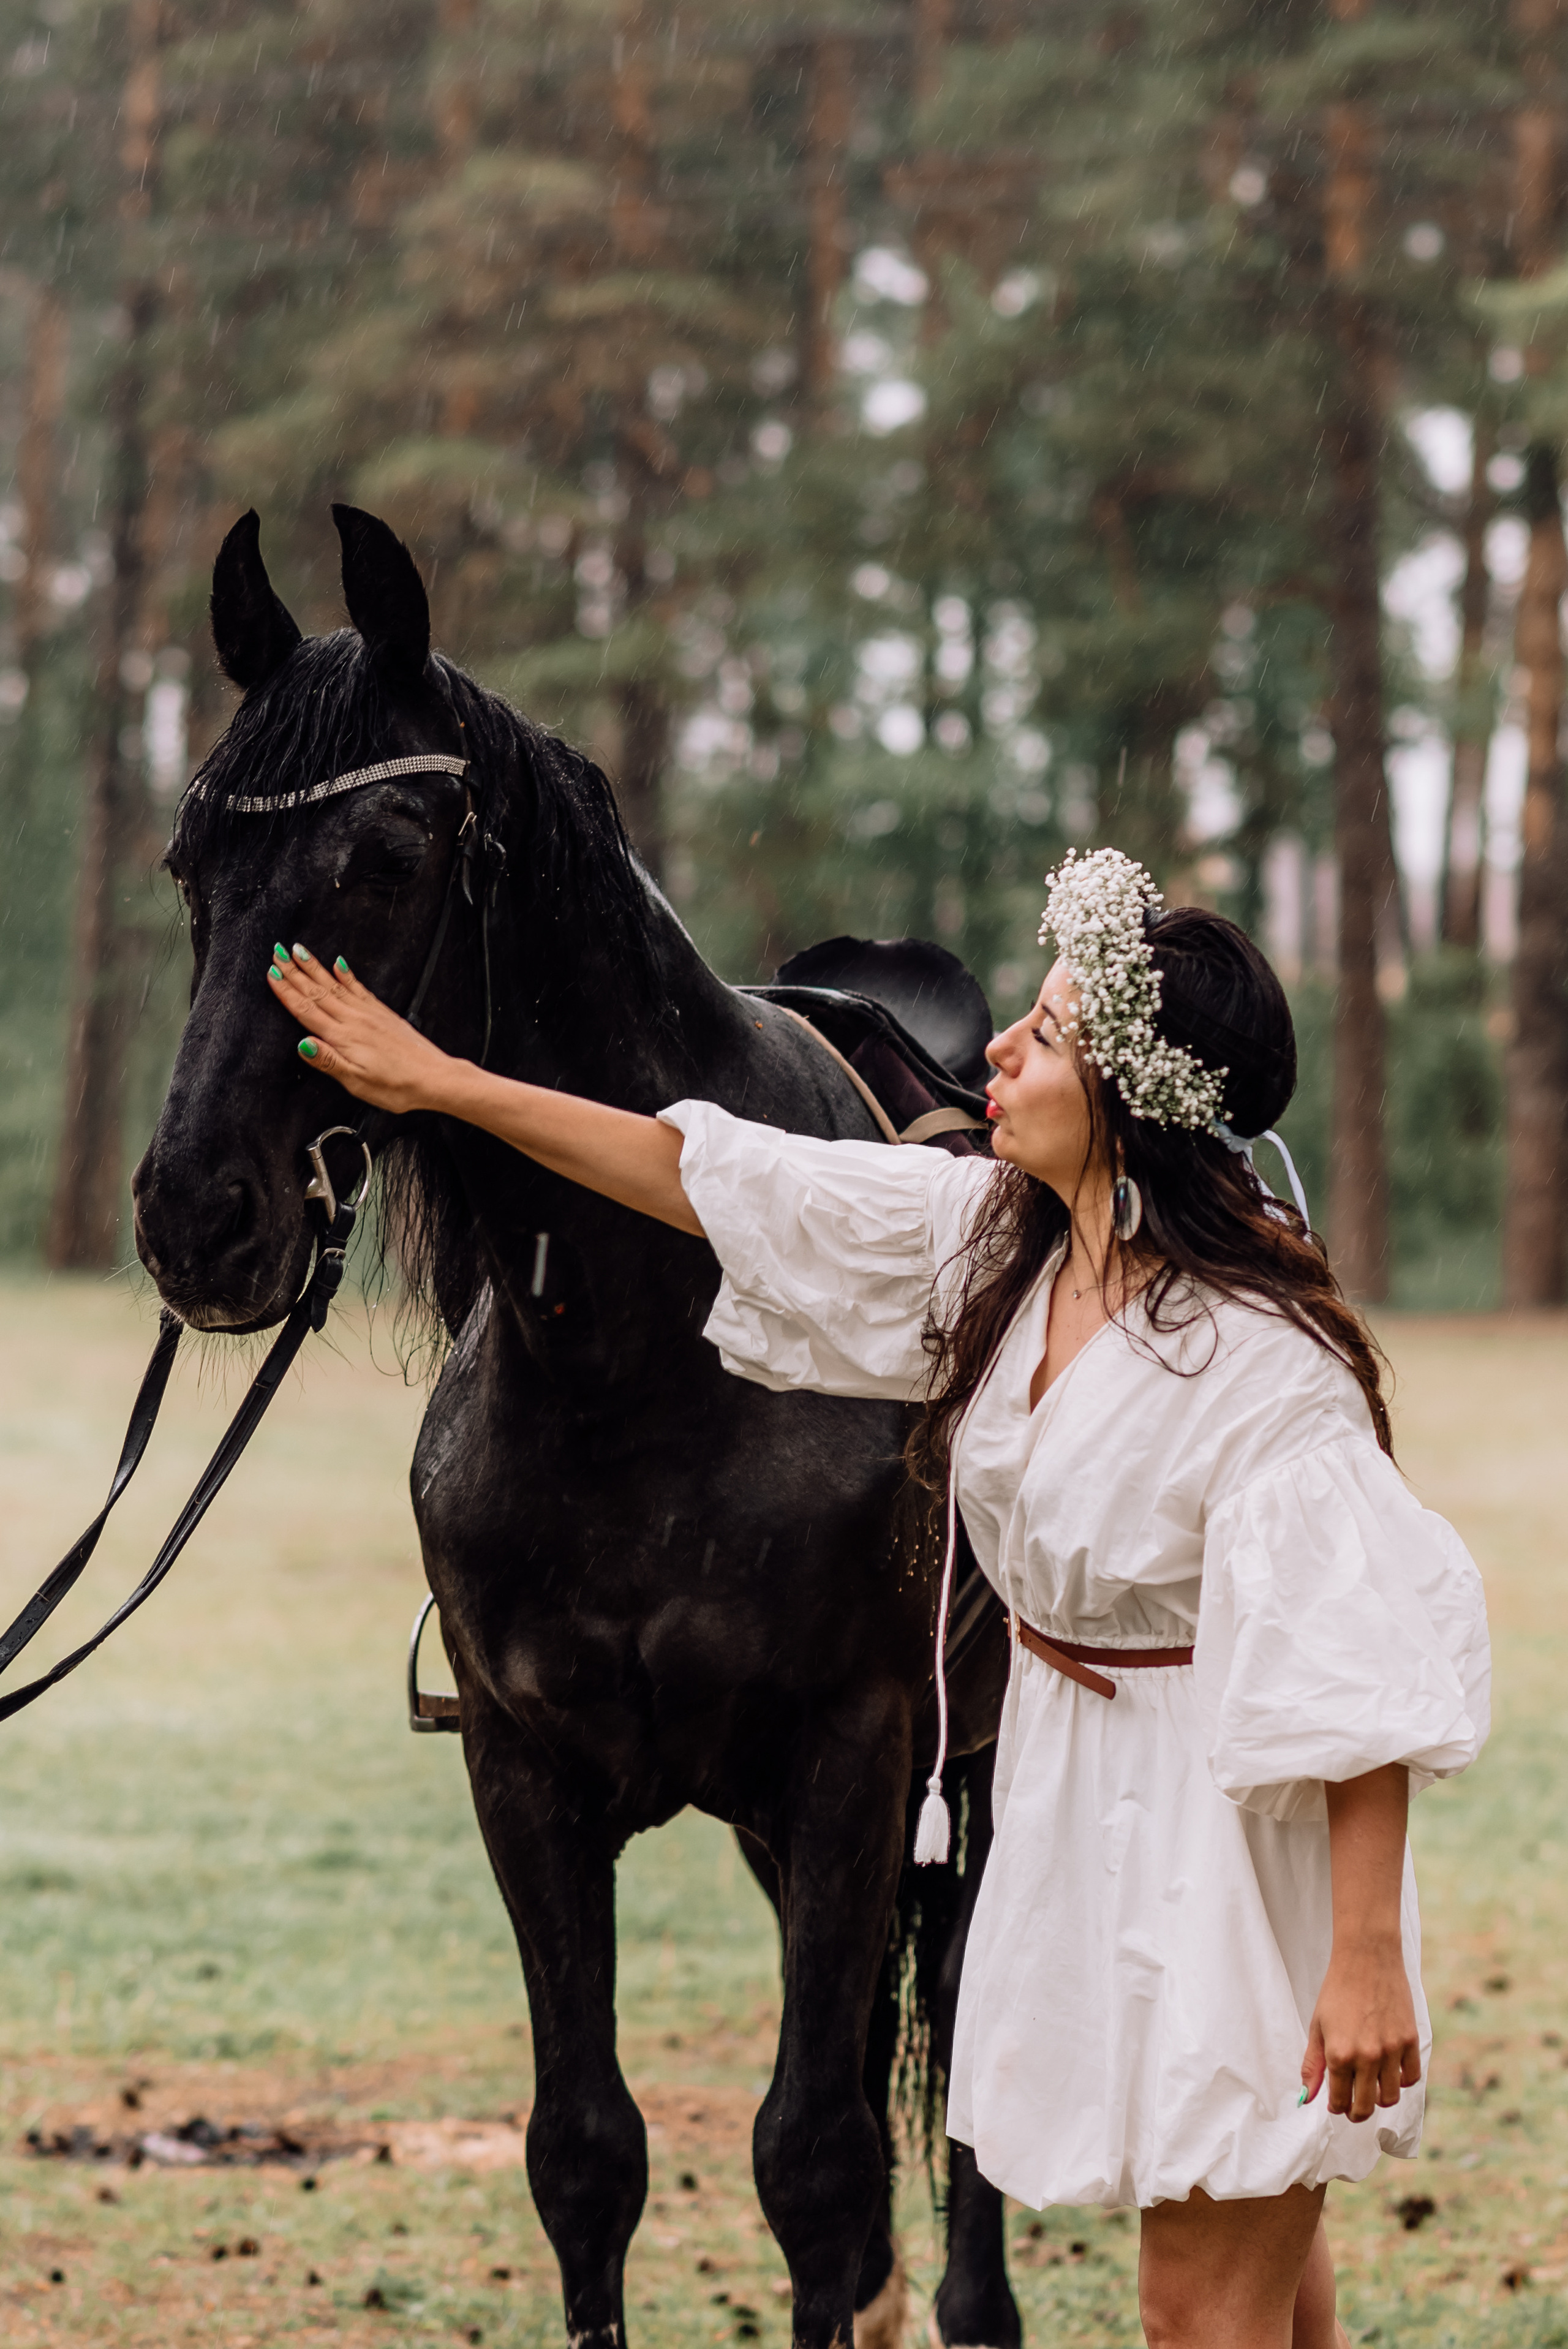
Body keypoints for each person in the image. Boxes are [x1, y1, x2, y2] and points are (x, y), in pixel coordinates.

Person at [267, 846, 1490, 2349]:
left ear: (1122, 1099)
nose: (996, 1049)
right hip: (1085, 1791)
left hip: (1229, 1832)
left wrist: (1358, 1952)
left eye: (1040, 1034)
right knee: (1250, 2245)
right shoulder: (995, 1246)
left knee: (1193, 2304)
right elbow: (703, 1174)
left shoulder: (1261, 1363)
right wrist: (448, 1084)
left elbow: (1350, 1667)